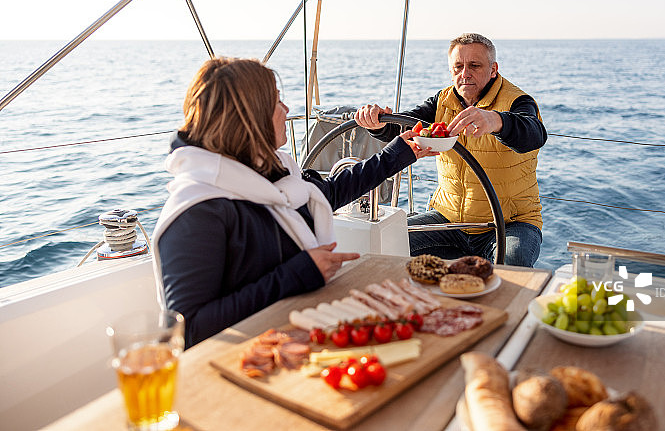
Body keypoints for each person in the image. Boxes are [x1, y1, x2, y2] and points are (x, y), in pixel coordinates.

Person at [152, 57, 434, 347]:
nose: (286, 110)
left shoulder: (267, 175)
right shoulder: (197, 213)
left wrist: (400, 152)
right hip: (248, 358)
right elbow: (188, 330)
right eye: (276, 102)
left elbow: (329, 193)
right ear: (250, 116)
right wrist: (298, 274)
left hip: (293, 334)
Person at [355, 33, 546, 267]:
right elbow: (405, 127)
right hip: (448, 219)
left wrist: (496, 121)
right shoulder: (442, 101)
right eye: (458, 67)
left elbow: (534, 135)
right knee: (381, 241)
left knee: (512, 265)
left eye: (474, 66)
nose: (465, 73)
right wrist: (379, 124)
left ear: (493, 69)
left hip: (510, 223)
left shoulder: (518, 101)